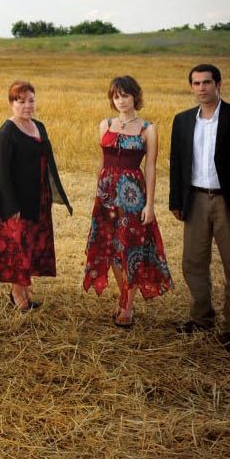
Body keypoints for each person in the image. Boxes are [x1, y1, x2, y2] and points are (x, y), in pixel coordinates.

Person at [170, 64, 230, 353]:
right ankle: (201, 318)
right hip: (196, 200)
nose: (202, 88)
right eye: (196, 83)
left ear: (218, 84)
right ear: (191, 87)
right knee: (193, 263)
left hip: (229, 202)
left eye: (207, 82)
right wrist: (176, 200)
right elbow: (177, 163)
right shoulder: (183, 120)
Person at [82, 76, 173, 327]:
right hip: (106, 195)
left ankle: (128, 306)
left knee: (130, 248)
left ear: (135, 97)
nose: (120, 101)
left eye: (125, 95)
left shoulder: (147, 129)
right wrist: (97, 194)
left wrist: (150, 205)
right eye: (116, 96)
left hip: (132, 197)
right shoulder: (106, 124)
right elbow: (102, 162)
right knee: (110, 248)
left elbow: (151, 168)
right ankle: (124, 296)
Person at [0, 80, 72, 312]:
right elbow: (2, 172)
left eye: (30, 101)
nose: (27, 106)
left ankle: (24, 288)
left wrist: (49, 194)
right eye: (20, 101)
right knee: (18, 249)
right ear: (11, 104)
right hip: (16, 202)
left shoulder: (39, 126)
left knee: (30, 246)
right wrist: (12, 206)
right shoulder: (6, 133)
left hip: (37, 198)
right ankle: (17, 294)